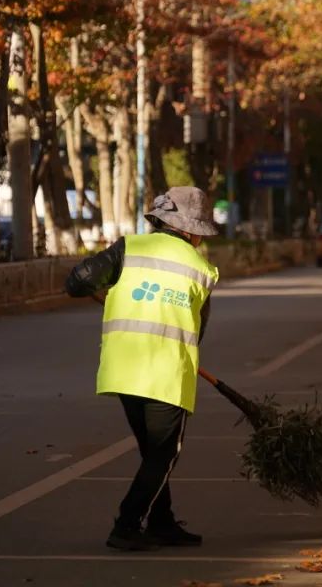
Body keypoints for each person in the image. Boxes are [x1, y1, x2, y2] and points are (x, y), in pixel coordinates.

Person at [65, 187, 220, 551]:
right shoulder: (202, 269)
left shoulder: (127, 249)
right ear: (192, 230)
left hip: (122, 368)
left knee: (152, 453)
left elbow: (77, 283)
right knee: (164, 455)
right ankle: (127, 524)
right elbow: (198, 332)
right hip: (167, 375)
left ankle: (162, 523)